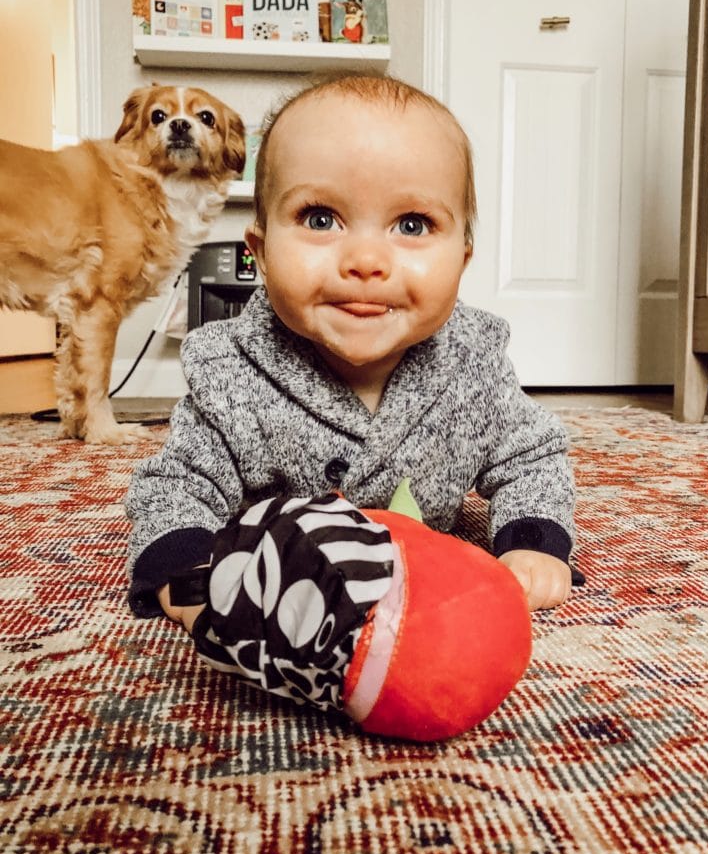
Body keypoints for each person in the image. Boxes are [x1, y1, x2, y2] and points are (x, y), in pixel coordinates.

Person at [125, 74, 578, 635]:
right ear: (261, 253)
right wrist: (189, 571)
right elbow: (176, 485)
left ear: (462, 261)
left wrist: (533, 541)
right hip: (289, 588)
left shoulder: (473, 362)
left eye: (412, 224)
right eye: (320, 219)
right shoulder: (231, 370)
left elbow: (533, 459)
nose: (366, 260)